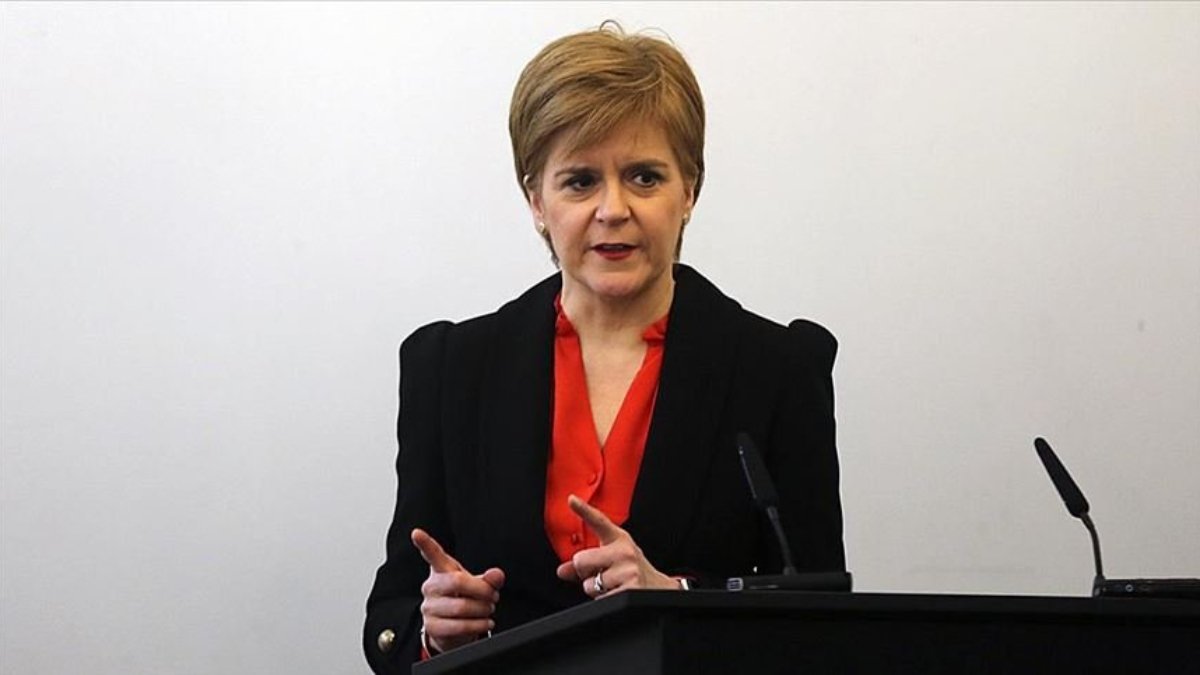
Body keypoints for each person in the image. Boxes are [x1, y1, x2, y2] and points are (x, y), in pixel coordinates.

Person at [364, 23, 845, 673]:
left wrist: (677, 596)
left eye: (645, 177)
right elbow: (390, 617)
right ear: (536, 200)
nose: (613, 208)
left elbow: (821, 619)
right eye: (580, 181)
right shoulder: (450, 368)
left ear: (689, 190)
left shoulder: (778, 368)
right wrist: (434, 628)